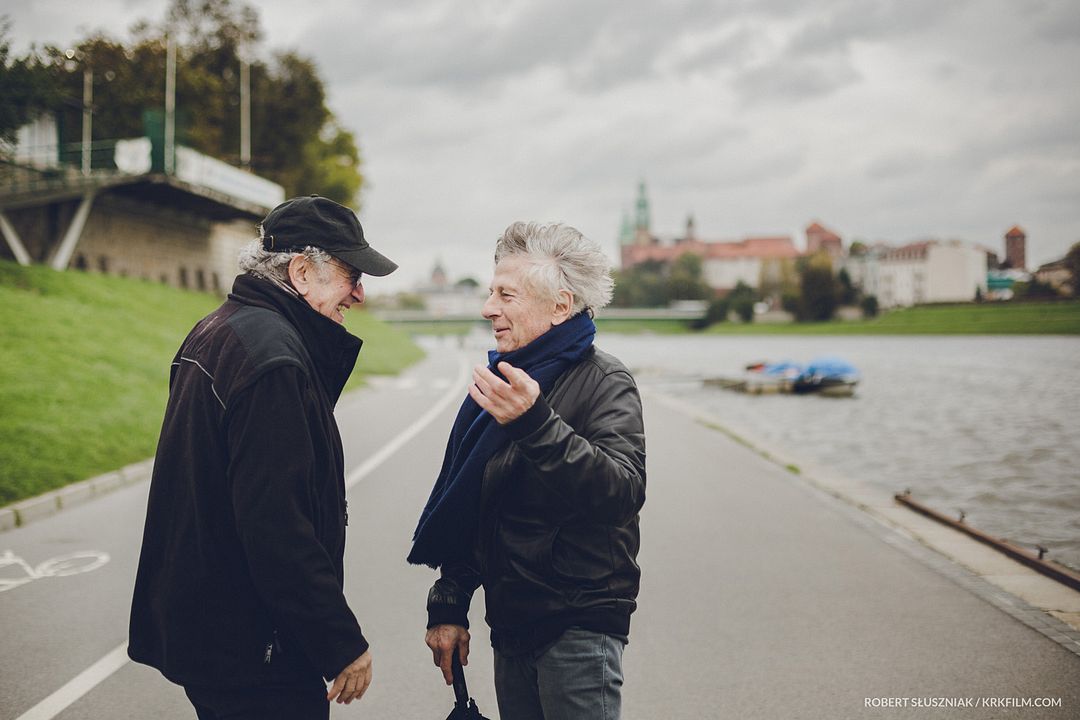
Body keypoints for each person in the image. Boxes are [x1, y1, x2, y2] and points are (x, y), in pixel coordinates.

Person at [129, 195, 397, 719]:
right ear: (301, 271)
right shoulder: (275, 361)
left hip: (213, 639)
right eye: (350, 275)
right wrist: (340, 642)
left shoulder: (219, 329)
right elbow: (277, 527)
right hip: (255, 653)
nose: (360, 294)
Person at [409, 221, 646, 720]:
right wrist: (450, 602)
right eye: (491, 291)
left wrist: (535, 424)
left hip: (579, 625)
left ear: (560, 306)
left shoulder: (605, 381)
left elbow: (622, 492)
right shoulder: (505, 382)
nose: (487, 307)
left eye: (506, 294)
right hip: (511, 624)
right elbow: (477, 503)